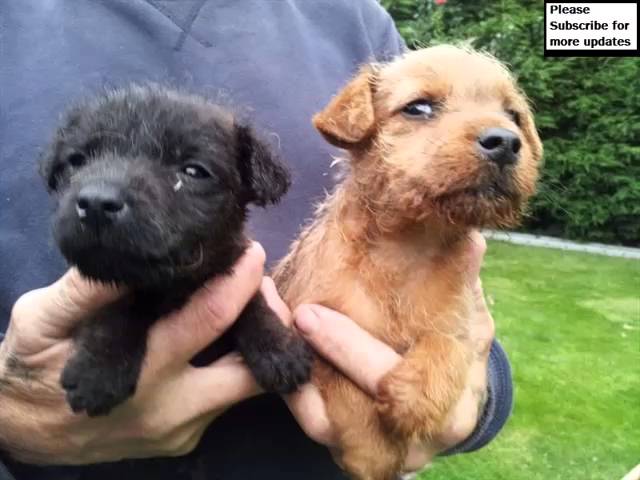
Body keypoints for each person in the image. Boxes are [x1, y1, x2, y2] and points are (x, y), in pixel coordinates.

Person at [0, 1, 513, 479]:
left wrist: (470, 390)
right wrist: (10, 416)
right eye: (421, 109)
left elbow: (461, 321)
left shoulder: (356, 19)